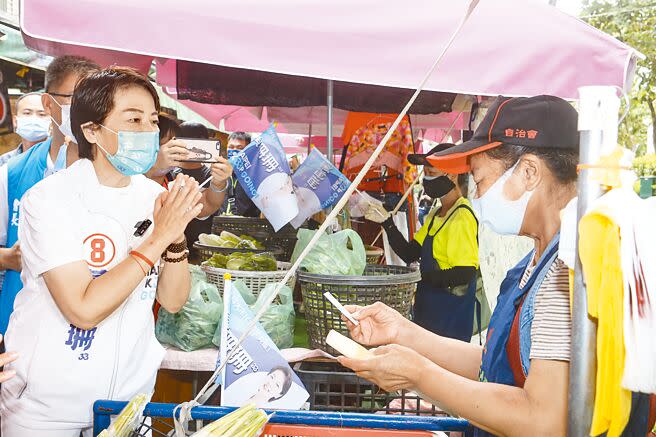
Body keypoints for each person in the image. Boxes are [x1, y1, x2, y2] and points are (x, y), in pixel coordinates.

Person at [339, 96, 582, 436]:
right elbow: (495, 363)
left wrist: (420, 374)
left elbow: (543, 421)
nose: (478, 197)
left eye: (480, 181)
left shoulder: (566, 274)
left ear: (528, 173)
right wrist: (404, 334)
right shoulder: (532, 264)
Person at [0, 66, 200, 436]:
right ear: (92, 130)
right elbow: (83, 310)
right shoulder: (49, 200)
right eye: (133, 119)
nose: (148, 132)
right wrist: (159, 236)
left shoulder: (153, 196)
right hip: (47, 409)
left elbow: (172, 301)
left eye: (152, 121)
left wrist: (175, 237)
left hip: (128, 404)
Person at [0, 55, 100, 335]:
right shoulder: (13, 173)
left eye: (94, 99)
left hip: (86, 330)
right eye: (74, 98)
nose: (86, 108)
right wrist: (8, 258)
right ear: (48, 103)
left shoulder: (114, 175)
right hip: (19, 326)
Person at [366, 144, 479, 342]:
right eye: (425, 172)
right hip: (428, 312)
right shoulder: (436, 214)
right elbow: (410, 253)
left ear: (452, 175)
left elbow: (465, 273)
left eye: (431, 172)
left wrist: (421, 278)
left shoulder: (462, 216)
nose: (426, 179)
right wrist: (387, 222)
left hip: (449, 317)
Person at [0, 92, 50, 166]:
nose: (34, 119)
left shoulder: (60, 162)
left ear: (51, 122)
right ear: (15, 121)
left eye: (41, 114)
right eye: (27, 113)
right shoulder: (4, 162)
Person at [221, 131, 260, 217]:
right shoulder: (220, 172)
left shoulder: (255, 176)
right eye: (231, 147)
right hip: (219, 225)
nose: (234, 150)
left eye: (239, 148)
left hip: (246, 227)